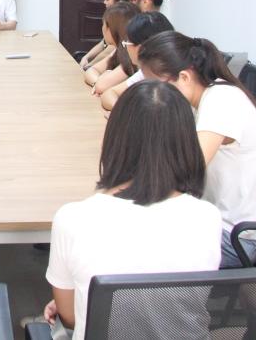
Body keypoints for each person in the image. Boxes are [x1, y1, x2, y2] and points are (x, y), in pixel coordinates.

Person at [40, 81, 222, 340]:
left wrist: (81, 298)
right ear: (186, 142)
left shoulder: (72, 219)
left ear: (115, 137)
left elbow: (69, 317)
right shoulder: (207, 217)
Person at [137, 32, 256, 268]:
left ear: (184, 77)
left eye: (155, 86)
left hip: (238, 237)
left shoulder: (221, 101)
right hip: (218, 221)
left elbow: (185, 173)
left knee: (135, 246)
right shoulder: (203, 97)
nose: (152, 95)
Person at [99, 11, 175, 112]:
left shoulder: (173, 78)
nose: (126, 47)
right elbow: (109, 94)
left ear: (139, 48)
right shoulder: (147, 71)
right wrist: (123, 112)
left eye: (127, 42)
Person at [86, 1, 139, 93]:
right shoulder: (118, 50)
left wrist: (100, 83)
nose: (102, 28)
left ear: (112, 28)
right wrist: (96, 83)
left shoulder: (131, 55)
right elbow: (92, 70)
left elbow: (101, 86)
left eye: (104, 24)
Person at [79, 0, 129, 70]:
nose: (104, 2)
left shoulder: (124, 23)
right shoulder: (114, 18)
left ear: (120, 3)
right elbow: (104, 43)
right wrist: (86, 57)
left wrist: (89, 67)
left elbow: (110, 49)